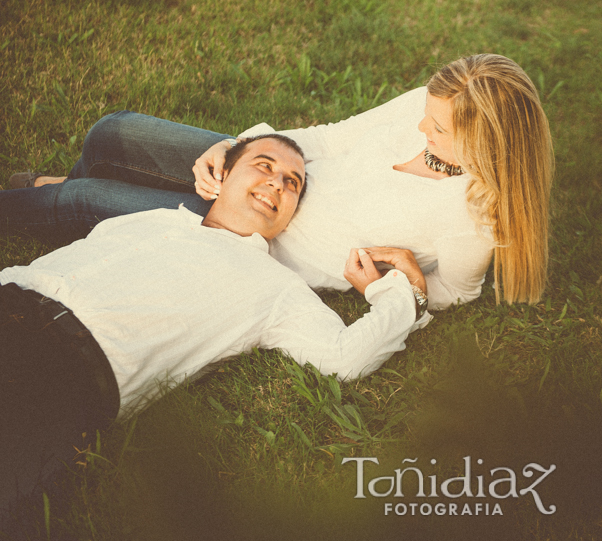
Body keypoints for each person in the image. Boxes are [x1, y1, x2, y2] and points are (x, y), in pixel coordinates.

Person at [0, 134, 429, 520]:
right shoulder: (153, 219)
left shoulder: (278, 287)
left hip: (67, 371)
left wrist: (399, 294)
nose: (278, 183)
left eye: (292, 183)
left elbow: (345, 357)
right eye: (264, 166)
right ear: (222, 176)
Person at [0, 54, 554, 310]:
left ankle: (49, 201)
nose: (419, 127)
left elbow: (459, 292)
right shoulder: (426, 107)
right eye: (426, 114)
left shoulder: (476, 219)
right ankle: (49, 194)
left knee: (83, 201)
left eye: (435, 129)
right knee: (113, 132)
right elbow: (334, 136)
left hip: (259, 238)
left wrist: (412, 285)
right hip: (281, 170)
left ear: (488, 146)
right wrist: (240, 148)